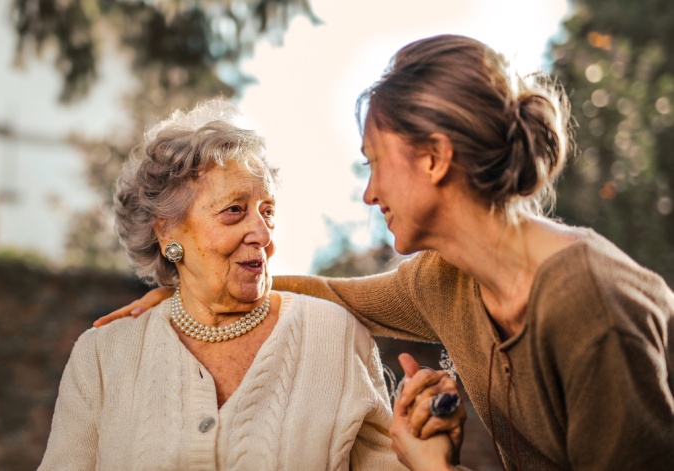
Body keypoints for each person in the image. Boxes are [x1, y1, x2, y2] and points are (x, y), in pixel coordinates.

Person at [94, 35, 674, 471]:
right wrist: (189, 286)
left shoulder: (590, 307)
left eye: (375, 162)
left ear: (434, 157)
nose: (370, 192)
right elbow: (330, 293)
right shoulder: (444, 279)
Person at [39, 99, 416, 470]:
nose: (263, 233)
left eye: (267, 212)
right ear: (167, 230)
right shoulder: (102, 356)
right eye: (234, 210)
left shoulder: (336, 337)